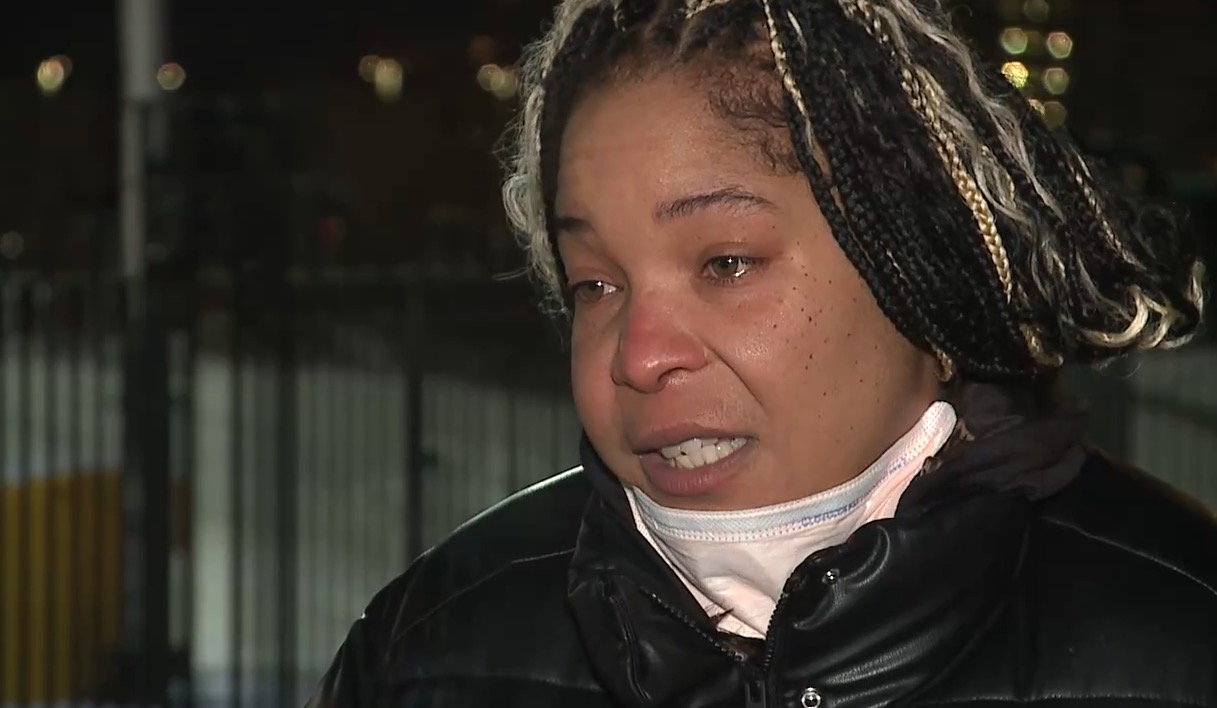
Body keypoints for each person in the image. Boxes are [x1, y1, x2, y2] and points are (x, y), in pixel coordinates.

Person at [308, 0, 1217, 705]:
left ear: (921, 268)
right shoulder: (430, 651)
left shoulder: (1182, 639)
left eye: (725, 264)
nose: (639, 356)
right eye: (595, 284)